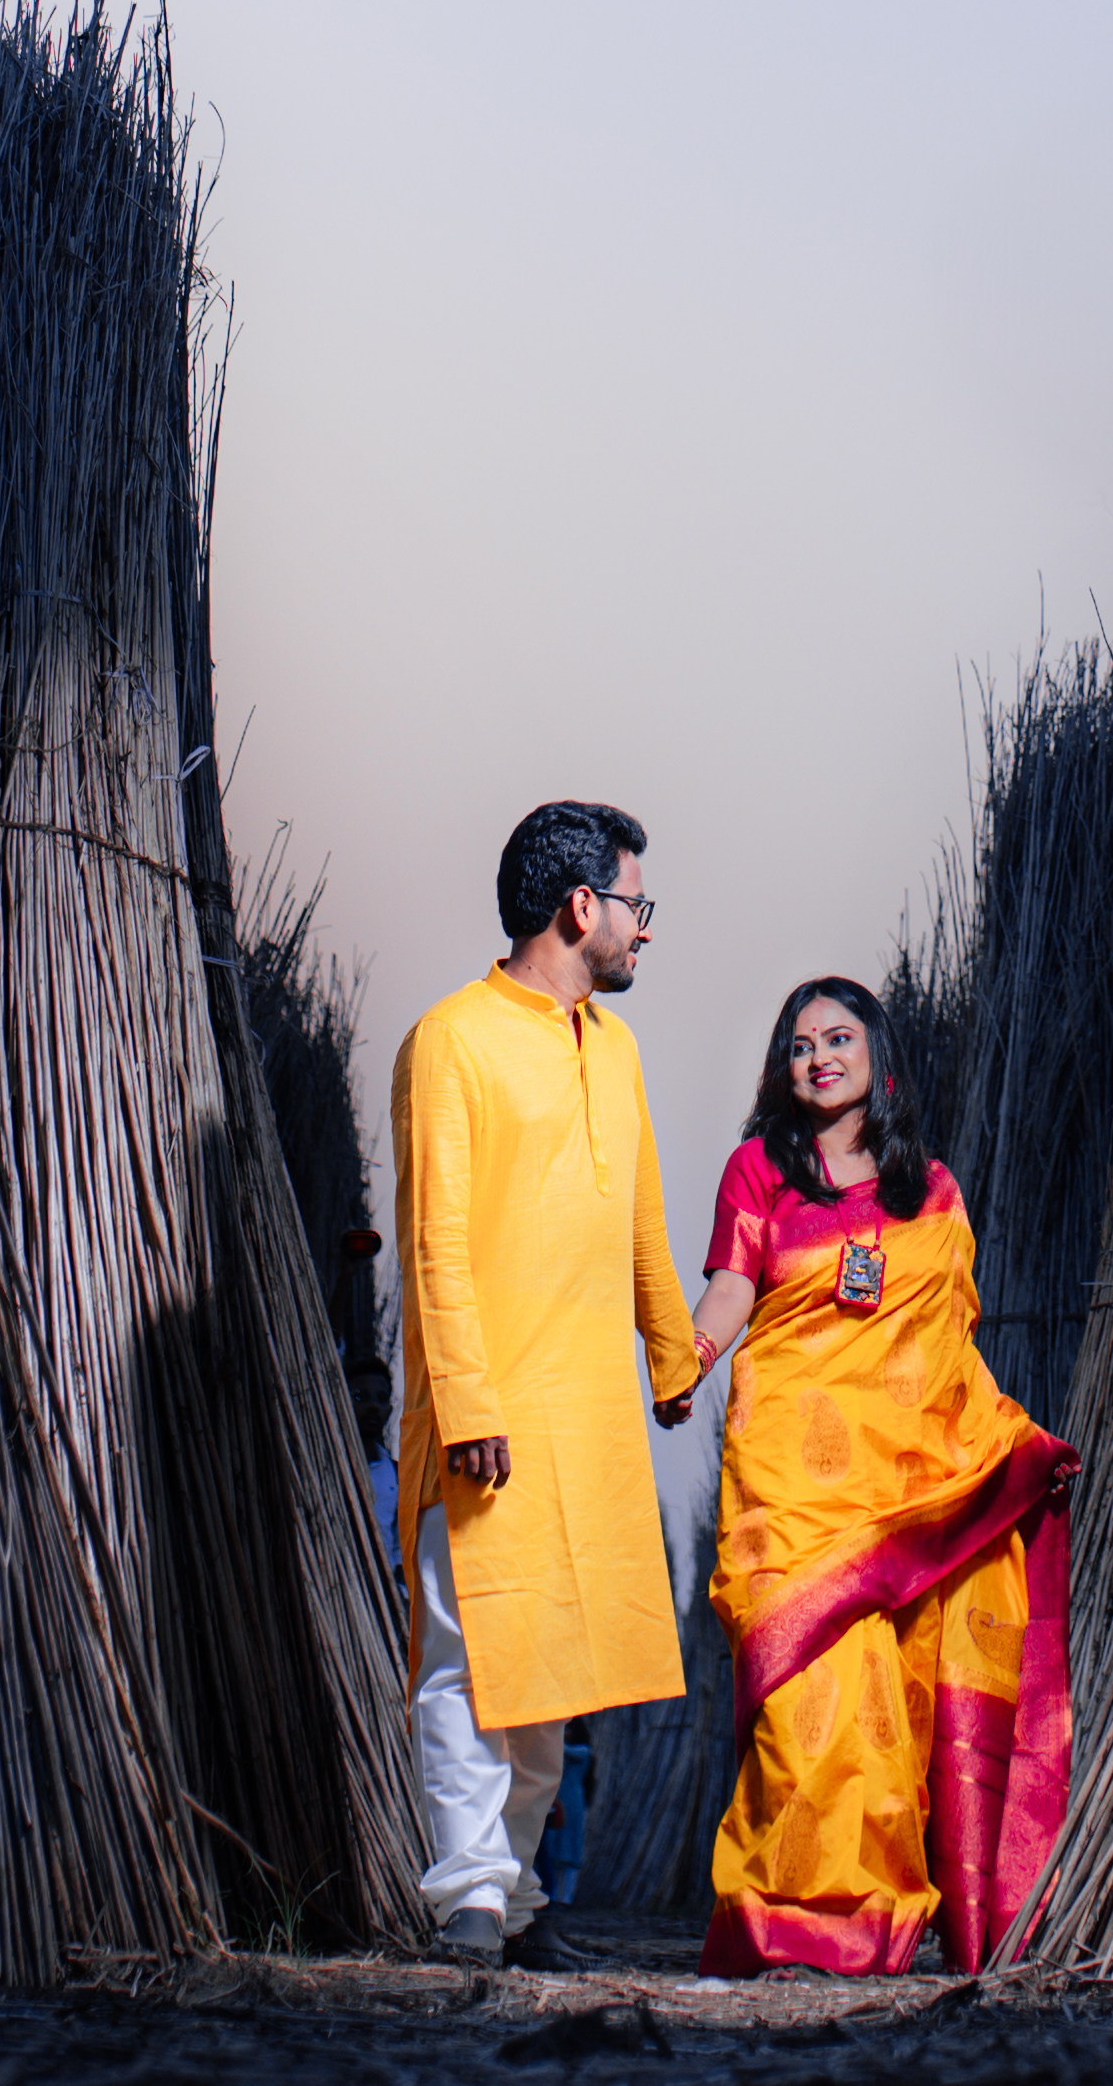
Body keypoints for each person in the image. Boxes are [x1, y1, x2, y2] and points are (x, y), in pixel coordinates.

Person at [686, 976, 1076, 1977]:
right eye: (801, 1043)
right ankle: (789, 1914)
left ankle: (881, 1920)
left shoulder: (928, 1190)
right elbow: (732, 1288)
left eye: (839, 1037)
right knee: (805, 1700)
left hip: (901, 1486)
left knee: (891, 1707)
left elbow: (948, 1341)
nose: (819, 1056)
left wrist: (999, 1450)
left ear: (876, 1054)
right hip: (792, 1478)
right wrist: (685, 1359)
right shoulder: (758, 1171)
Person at [389, 801, 703, 1969]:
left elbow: (640, 1225)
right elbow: (434, 1242)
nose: (644, 932)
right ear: (583, 907)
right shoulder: (451, 1039)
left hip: (588, 1421)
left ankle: (514, 1905)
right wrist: (468, 1404)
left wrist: (672, 1359)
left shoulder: (613, 1050)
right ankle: (467, 1897)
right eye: (637, 905)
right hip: (491, 1416)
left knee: (549, 1681)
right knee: (473, 1664)